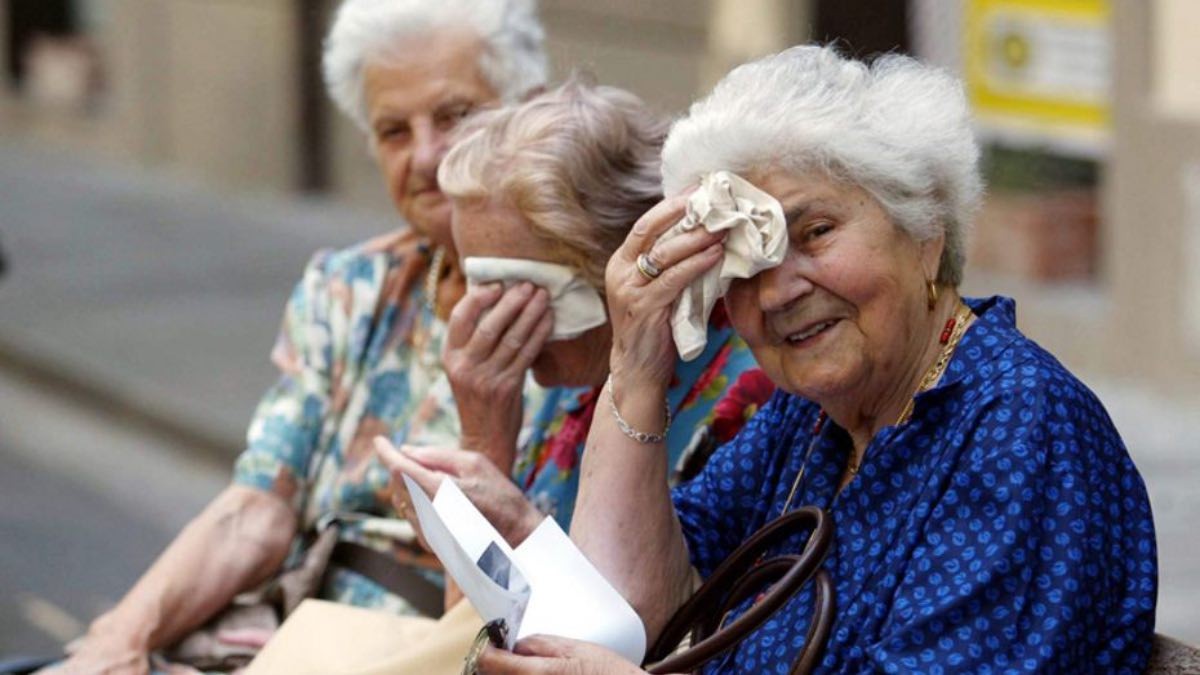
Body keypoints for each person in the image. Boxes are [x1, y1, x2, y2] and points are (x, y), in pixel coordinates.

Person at [475, 46, 1158, 673]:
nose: (777, 289)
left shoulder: (1021, 425)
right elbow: (631, 611)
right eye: (744, 259)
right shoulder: (806, 422)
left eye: (816, 232)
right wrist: (636, 368)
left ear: (924, 233)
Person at [44, 1, 548, 672]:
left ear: (530, 110)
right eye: (394, 130)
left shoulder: (576, 323)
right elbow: (256, 508)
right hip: (288, 625)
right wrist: (121, 635)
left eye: (454, 116)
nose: (426, 156)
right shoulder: (352, 287)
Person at [375, 77, 773, 623]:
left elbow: (625, 637)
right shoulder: (560, 383)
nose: (483, 320)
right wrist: (484, 439)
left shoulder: (749, 397)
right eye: (473, 283)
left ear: (623, 255)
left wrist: (510, 515)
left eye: (514, 290)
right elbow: (469, 636)